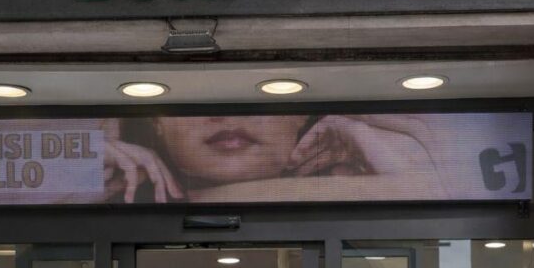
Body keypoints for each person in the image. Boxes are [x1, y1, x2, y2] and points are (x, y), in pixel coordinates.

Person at [102, 113, 446, 203]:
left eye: (252, 97)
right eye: (191, 97)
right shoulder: (114, 191)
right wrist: (85, 163)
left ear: (299, 116)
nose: (226, 116)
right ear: (156, 123)